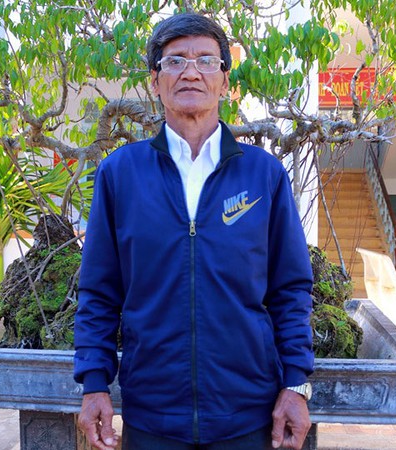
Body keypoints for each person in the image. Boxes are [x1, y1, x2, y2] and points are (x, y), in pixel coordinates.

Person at [74, 12, 314, 450]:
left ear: (225, 82)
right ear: (155, 81)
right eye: (175, 61)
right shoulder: (120, 174)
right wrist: (94, 384)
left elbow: (290, 288)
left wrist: (296, 383)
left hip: (247, 416)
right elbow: (99, 291)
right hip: (152, 417)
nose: (190, 72)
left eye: (206, 60)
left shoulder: (263, 175)